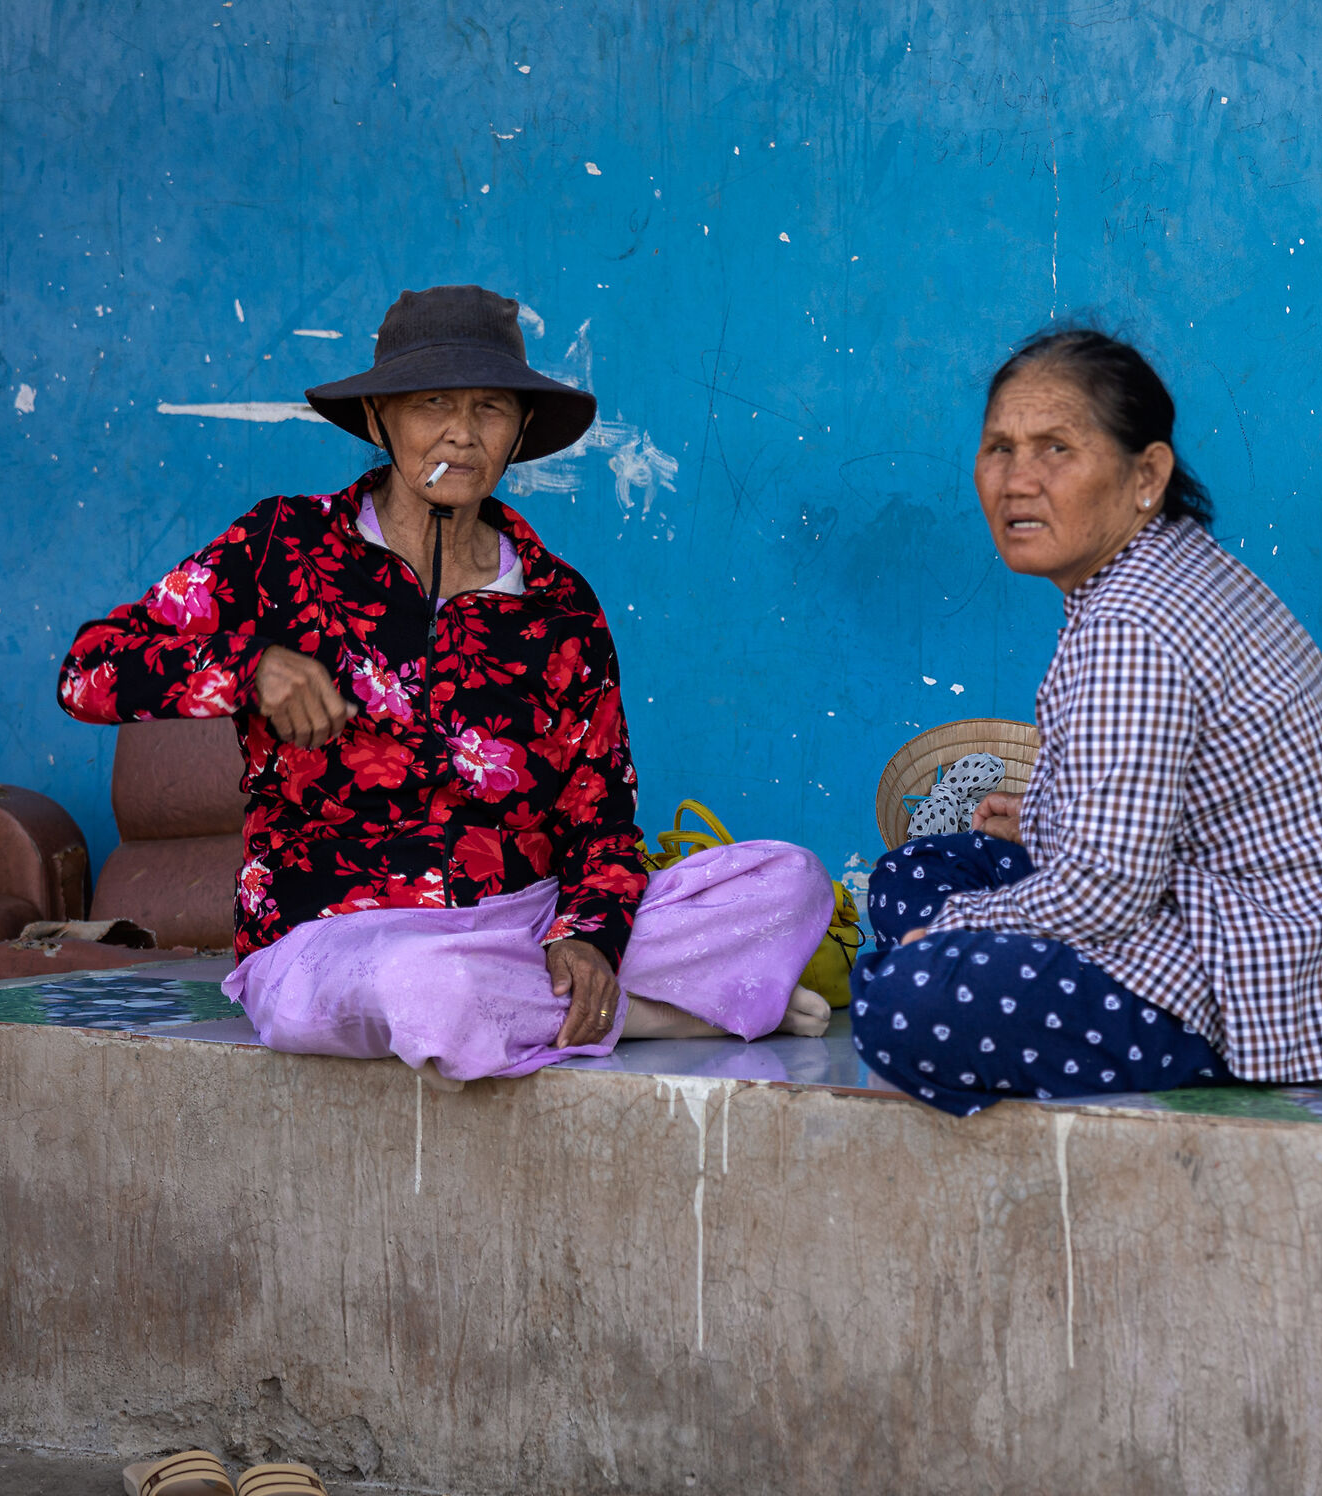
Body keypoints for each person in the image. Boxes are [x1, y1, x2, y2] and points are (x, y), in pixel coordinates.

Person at [58, 285, 831, 1079]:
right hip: (337, 939)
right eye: (433, 403)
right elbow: (88, 671)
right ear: (377, 419)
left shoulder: (559, 606)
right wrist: (248, 668)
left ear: (521, 430)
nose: (462, 434)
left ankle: (552, 1004)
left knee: (789, 883)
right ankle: (649, 1015)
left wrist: (590, 940)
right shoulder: (283, 548)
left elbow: (602, 820)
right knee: (423, 985)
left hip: (522, 927)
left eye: (490, 409)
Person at [850, 329, 1322, 1115]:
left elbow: (1108, 889)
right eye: (999, 449)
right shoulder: (1161, 571)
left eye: (1055, 449)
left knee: (901, 999)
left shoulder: (1133, 625)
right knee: (911, 875)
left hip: (1255, 984)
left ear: (1147, 474)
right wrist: (1046, 816)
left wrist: (949, 932)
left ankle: (941, 989)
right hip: (1256, 935)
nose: (1018, 480)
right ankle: (953, 969)